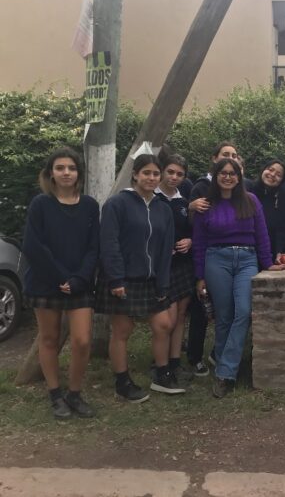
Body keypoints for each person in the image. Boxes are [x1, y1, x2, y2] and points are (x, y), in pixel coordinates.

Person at [193, 158, 285, 398]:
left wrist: (267, 263)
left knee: (243, 311)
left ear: (239, 177)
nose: (227, 177)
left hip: (247, 260)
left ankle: (225, 371)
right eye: (223, 173)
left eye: (232, 173)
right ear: (215, 176)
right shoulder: (206, 204)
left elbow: (262, 234)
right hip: (217, 260)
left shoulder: (251, 200)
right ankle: (226, 367)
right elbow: (200, 242)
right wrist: (200, 275)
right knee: (224, 316)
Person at [22, 147, 100, 419]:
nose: (66, 172)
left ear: (78, 173)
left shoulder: (90, 205)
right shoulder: (40, 204)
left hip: (79, 284)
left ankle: (74, 394)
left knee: (81, 340)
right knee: (49, 338)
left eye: (71, 168)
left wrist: (78, 278)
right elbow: (34, 246)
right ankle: (55, 394)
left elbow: (94, 247)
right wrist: (60, 277)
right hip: (46, 282)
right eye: (60, 168)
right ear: (51, 173)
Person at [97, 154, 178, 402]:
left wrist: (163, 282)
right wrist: (116, 279)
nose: (151, 178)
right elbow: (109, 244)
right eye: (146, 173)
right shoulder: (116, 204)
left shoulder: (163, 208)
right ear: (135, 175)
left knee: (163, 324)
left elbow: (166, 250)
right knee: (122, 329)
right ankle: (122, 381)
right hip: (123, 278)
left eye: (155, 174)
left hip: (152, 280)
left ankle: (162, 375)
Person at [186, 141, 242, 376]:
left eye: (234, 156)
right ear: (214, 159)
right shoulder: (201, 188)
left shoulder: (244, 192)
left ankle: (220, 357)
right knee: (211, 311)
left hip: (240, 257)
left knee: (237, 310)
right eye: (225, 156)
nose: (229, 159)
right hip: (211, 256)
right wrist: (190, 206)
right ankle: (198, 357)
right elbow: (196, 224)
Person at [155, 153, 196, 383]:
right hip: (162, 267)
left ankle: (174, 361)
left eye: (179, 174)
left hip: (183, 264)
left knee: (180, 315)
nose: (174, 177)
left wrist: (190, 240)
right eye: (170, 172)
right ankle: (160, 365)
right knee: (166, 320)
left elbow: (190, 229)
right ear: (162, 171)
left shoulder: (183, 202)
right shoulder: (152, 198)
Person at [250, 159, 285, 261]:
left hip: (270, 253)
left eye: (278, 175)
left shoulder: (281, 199)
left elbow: (282, 228)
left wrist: (279, 251)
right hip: (248, 251)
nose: (273, 174)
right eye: (270, 170)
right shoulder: (248, 190)